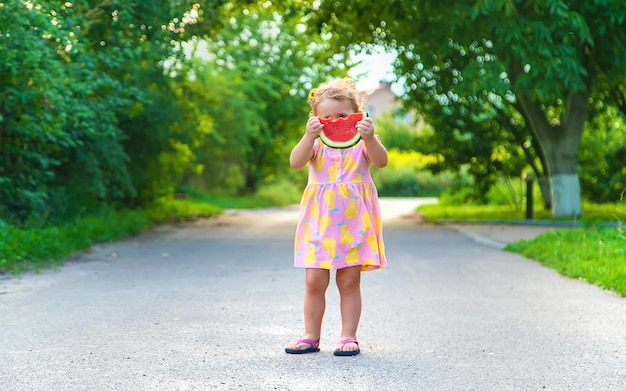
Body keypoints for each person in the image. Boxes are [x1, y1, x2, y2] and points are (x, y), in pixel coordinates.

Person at [285, 78, 388, 356]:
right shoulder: (316, 143)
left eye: (342, 116)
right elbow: (295, 162)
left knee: (349, 281)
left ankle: (348, 336)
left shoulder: (364, 141)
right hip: (318, 223)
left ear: (356, 114)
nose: (334, 121)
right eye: (326, 117)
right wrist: (308, 136)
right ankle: (310, 335)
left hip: (353, 223)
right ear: (315, 119)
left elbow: (381, 161)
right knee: (313, 282)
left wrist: (368, 137)